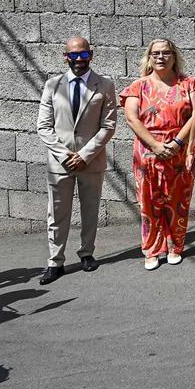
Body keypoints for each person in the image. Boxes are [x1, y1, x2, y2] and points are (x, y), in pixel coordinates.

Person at [35, 36, 117, 284]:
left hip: (90, 161)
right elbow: (44, 126)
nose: (78, 60)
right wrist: (64, 155)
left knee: (90, 210)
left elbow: (108, 125)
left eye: (83, 55)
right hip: (59, 162)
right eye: (73, 55)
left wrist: (84, 155)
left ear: (91, 55)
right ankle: (55, 261)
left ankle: (87, 253)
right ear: (65, 56)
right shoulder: (52, 85)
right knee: (57, 213)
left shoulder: (104, 85)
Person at [121, 38, 195, 270]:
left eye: (166, 53)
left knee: (178, 201)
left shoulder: (189, 84)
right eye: (155, 53)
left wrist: (177, 142)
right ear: (149, 57)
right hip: (148, 154)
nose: (161, 57)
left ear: (174, 56)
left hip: (180, 150)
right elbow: (131, 118)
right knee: (149, 202)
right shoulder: (139, 86)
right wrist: (155, 145)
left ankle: (175, 246)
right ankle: (152, 250)